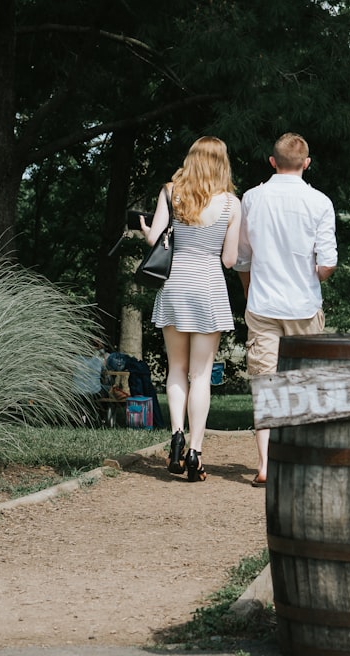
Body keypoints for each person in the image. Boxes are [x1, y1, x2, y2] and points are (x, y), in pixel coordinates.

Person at [235, 132, 337, 487]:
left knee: (265, 384)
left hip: (263, 304)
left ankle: (265, 465)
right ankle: (303, 459)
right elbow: (327, 264)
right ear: (307, 163)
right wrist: (313, 274)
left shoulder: (252, 198)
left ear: (273, 161)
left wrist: (249, 294)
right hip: (304, 306)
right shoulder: (320, 202)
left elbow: (242, 258)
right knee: (305, 384)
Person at [139, 136, 241, 482]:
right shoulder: (231, 204)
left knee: (176, 370)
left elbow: (155, 239)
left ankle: (176, 435)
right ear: (221, 163)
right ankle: (196, 451)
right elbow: (229, 260)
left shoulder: (171, 191)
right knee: (201, 374)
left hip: (175, 284)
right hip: (209, 285)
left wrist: (144, 230)